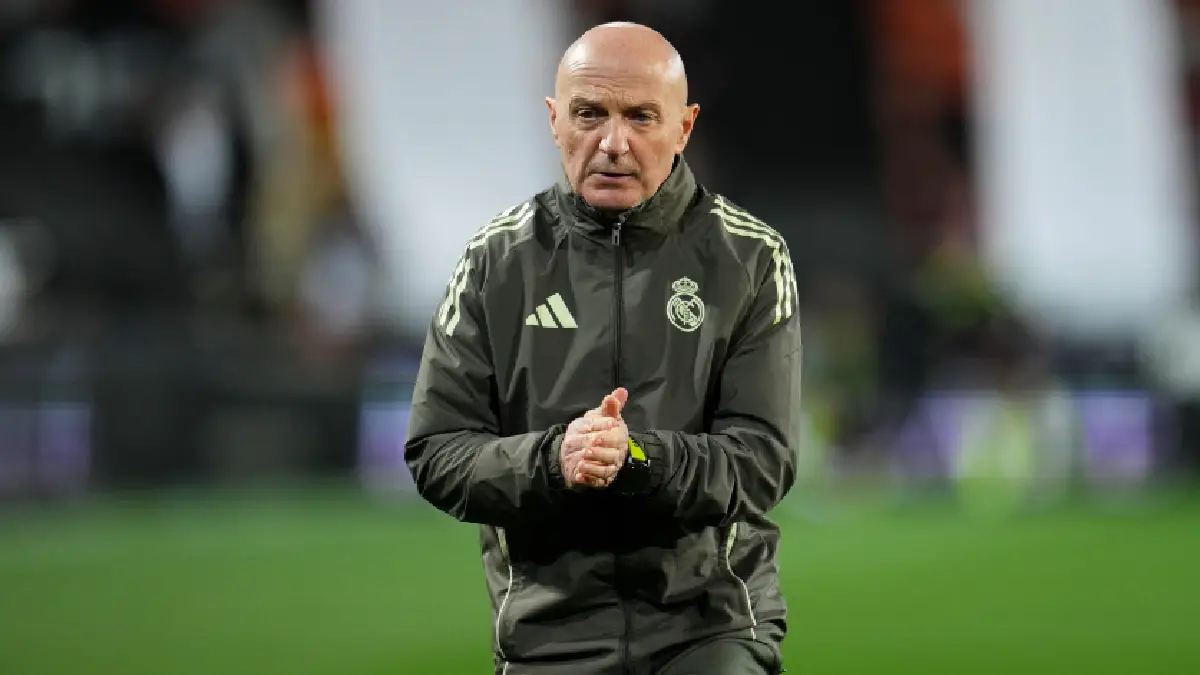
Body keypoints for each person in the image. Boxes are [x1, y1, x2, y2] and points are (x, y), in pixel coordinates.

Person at [405, 21, 801, 675]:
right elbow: (437, 450)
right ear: (554, 121)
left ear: (684, 128)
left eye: (641, 116)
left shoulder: (749, 257)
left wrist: (639, 457)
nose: (613, 143)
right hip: (547, 635)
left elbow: (762, 459)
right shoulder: (495, 262)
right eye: (589, 114)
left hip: (709, 624)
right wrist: (553, 459)